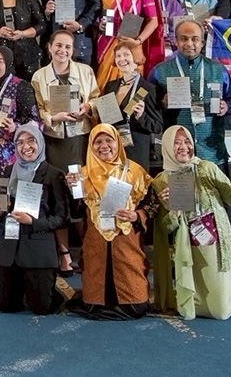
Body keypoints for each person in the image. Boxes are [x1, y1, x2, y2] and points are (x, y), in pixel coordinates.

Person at [152, 126, 231, 320]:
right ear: (166, 147)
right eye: (176, 143)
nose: (184, 147)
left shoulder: (207, 168)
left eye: (187, 141)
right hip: (187, 250)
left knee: (221, 312)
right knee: (189, 306)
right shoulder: (161, 181)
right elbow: (165, 227)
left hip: (215, 245)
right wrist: (174, 210)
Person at [66, 125, 155, 320]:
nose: (104, 146)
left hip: (126, 243)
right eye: (98, 142)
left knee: (135, 305)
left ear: (118, 143)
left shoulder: (135, 172)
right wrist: (73, 191)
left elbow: (152, 206)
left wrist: (137, 216)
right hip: (95, 242)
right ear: (91, 146)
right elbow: (76, 212)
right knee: (93, 301)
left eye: (109, 140)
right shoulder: (83, 175)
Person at [31, 30, 98, 277]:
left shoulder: (85, 71)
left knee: (80, 194)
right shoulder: (39, 76)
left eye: (68, 47)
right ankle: (64, 253)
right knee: (58, 196)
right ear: (49, 47)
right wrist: (53, 117)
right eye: (58, 45)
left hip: (79, 140)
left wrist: (87, 107)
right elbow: (37, 109)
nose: (63, 51)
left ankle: (89, 250)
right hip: (54, 141)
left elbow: (97, 98)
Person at [0, 123, 70, 316]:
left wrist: (33, 222)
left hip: (38, 250)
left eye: (31, 141)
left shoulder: (54, 174)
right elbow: (3, 209)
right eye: (20, 142)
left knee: (42, 308)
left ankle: (51, 289)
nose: (25, 146)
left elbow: (61, 218)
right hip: (9, 247)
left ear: (40, 143)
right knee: (6, 306)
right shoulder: (9, 171)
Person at [150, 20, 231, 164]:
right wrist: (162, 104)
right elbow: (150, 108)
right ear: (176, 41)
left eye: (195, 39)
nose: (189, 43)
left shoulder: (218, 69)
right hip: (176, 154)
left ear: (202, 42)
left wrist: (227, 106)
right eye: (184, 39)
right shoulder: (159, 71)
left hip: (212, 152)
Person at [95, 0, 164, 86]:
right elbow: (95, 16)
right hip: (108, 43)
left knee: (131, 85)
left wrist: (138, 41)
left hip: (132, 44)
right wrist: (99, 25)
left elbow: (154, 21)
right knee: (104, 84)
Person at [0, 47, 41, 178]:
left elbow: (35, 122)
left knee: (7, 189)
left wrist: (15, 127)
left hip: (9, 154)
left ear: (9, 64)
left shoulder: (21, 86)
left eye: (0, 61)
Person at [100, 44, 163, 171]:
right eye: (118, 56)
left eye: (126, 55)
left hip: (136, 151)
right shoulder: (111, 86)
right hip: (112, 150)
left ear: (136, 57)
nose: (121, 59)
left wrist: (141, 116)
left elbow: (157, 126)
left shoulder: (148, 88)